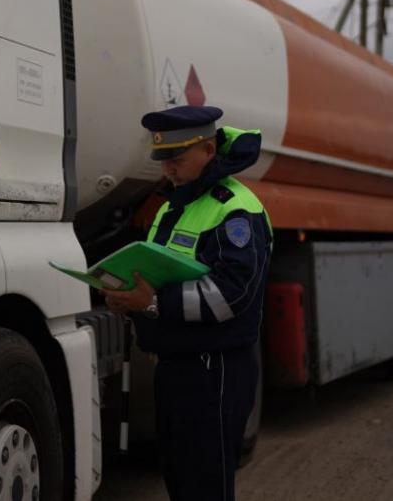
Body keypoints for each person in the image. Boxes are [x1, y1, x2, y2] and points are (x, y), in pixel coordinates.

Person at [103, 104, 272, 501]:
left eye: (176, 160)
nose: (168, 170)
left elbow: (232, 294)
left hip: (216, 370)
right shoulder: (171, 206)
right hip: (175, 367)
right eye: (163, 160)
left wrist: (153, 303)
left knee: (205, 485)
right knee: (180, 479)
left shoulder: (236, 209)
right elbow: (156, 272)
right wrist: (128, 296)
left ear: (208, 151)